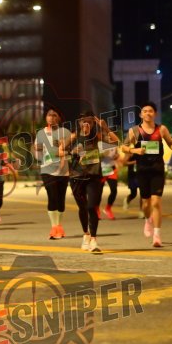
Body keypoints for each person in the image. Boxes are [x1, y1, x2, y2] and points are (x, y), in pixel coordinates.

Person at [121, 102, 172, 248]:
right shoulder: (134, 131)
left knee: (156, 202)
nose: (148, 113)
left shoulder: (161, 129)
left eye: (150, 111)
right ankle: (147, 219)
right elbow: (124, 147)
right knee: (146, 204)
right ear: (141, 114)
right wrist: (135, 151)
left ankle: (157, 236)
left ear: (155, 114)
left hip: (157, 170)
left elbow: (170, 143)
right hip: (142, 170)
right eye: (145, 111)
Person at [66, 112, 119, 253]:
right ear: (79, 122)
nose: (86, 123)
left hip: (94, 176)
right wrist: (72, 152)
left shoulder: (98, 136)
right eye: (84, 121)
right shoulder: (73, 136)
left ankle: (94, 239)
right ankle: (86, 234)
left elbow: (116, 142)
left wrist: (105, 128)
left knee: (92, 206)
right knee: (82, 207)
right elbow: (58, 152)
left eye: (89, 121)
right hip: (76, 176)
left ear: (94, 123)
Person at [34, 108, 71, 240]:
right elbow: (37, 153)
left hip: (63, 171)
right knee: (52, 197)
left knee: (61, 200)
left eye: (54, 115)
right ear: (46, 118)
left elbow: (73, 151)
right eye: (49, 115)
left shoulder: (65, 132)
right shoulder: (40, 133)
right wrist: (39, 155)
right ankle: (54, 227)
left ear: (59, 118)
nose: (51, 117)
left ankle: (59, 226)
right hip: (47, 170)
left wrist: (63, 149)